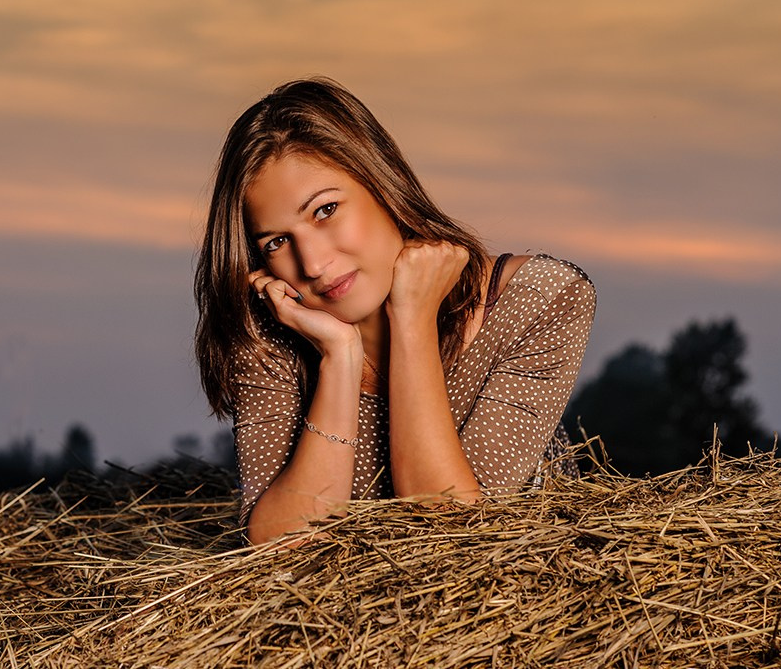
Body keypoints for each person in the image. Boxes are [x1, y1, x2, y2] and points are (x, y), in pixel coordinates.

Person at [194, 78, 596, 544]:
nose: (313, 264)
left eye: (325, 210)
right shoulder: (269, 333)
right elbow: (278, 547)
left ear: (383, 184)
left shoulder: (540, 297)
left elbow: (454, 532)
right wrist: (339, 358)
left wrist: (412, 319)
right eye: (277, 241)